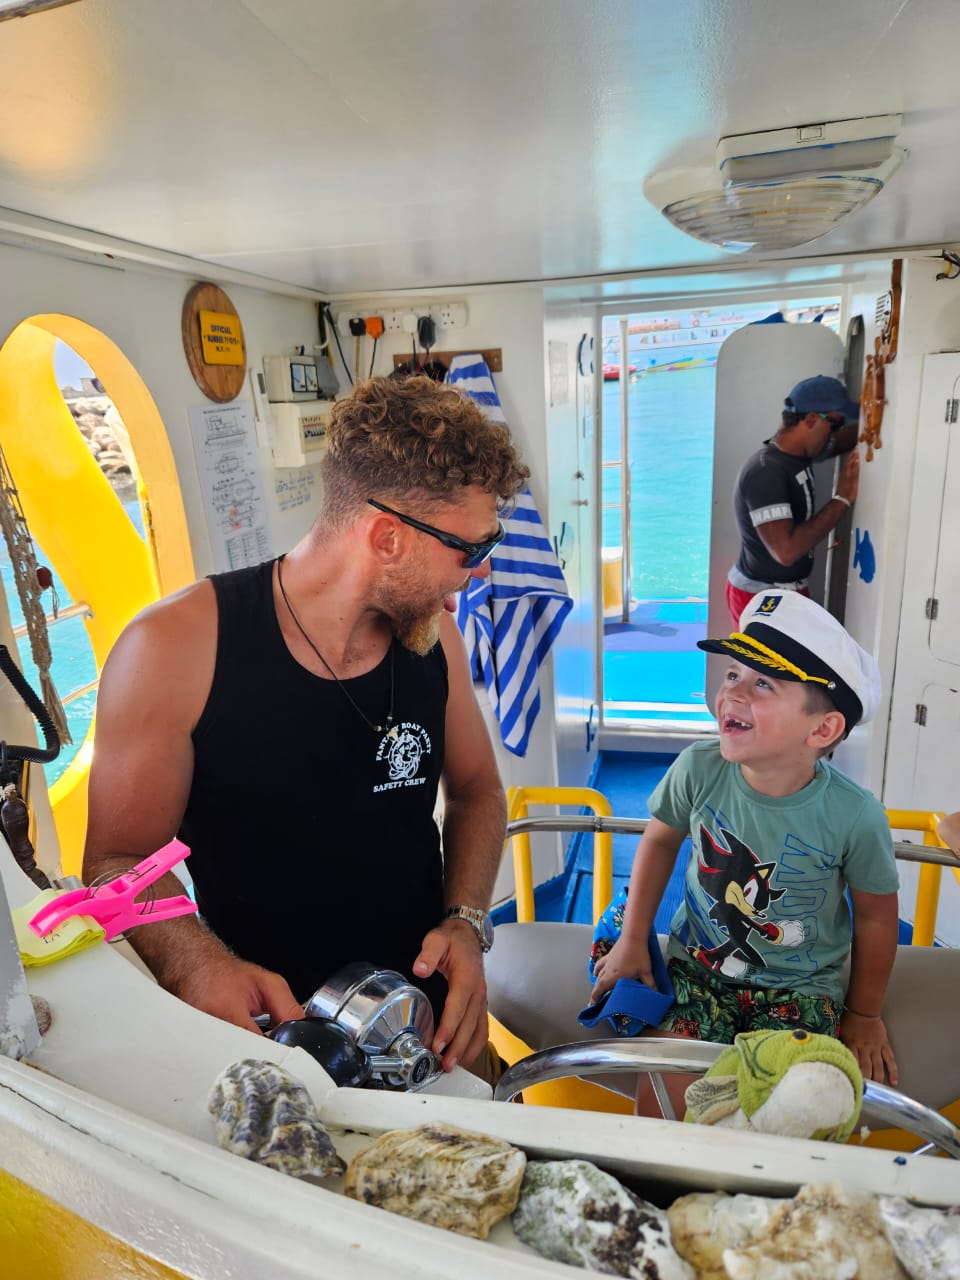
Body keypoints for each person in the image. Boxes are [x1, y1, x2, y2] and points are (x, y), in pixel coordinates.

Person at [83, 375, 530, 1079]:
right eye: (470, 550)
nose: (481, 571)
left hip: (429, 1022)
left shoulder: (434, 636)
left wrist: (467, 923)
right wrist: (196, 966)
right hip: (273, 1035)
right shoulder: (173, 649)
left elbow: (478, 791)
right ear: (387, 537)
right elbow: (115, 862)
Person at [590, 590, 900, 1114]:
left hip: (801, 991)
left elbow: (875, 916)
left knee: (796, 1110)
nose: (731, 691)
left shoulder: (856, 815)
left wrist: (865, 1015)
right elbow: (660, 841)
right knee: (662, 1103)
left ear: (822, 729)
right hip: (696, 970)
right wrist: (632, 939)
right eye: (733, 673)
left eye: (762, 684)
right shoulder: (698, 768)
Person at [727, 374, 862, 627]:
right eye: (835, 424)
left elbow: (841, 441)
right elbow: (785, 552)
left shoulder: (798, 455)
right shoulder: (766, 472)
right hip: (761, 600)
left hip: (789, 592)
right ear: (810, 420)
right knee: (770, 658)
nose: (835, 434)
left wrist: (876, 420)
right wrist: (842, 498)